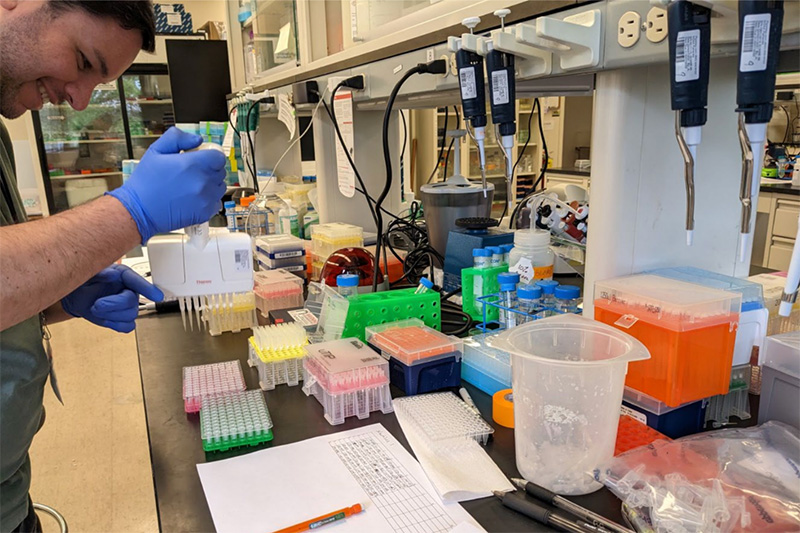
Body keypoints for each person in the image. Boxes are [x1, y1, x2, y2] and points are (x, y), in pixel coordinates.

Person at [0, 1, 227, 531]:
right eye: (82, 61)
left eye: (98, 85)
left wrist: (60, 294)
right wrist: (134, 211)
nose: (78, 101)